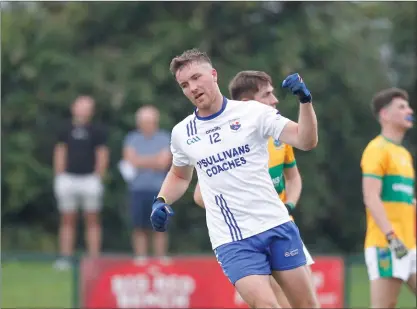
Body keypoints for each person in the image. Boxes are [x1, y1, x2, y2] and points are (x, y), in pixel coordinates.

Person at [150, 48, 318, 308]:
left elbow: (306, 141)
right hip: (233, 240)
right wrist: (161, 200)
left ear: (214, 75)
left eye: (196, 78)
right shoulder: (182, 133)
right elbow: (179, 175)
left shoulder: (252, 113)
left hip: (276, 225)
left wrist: (305, 102)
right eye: (184, 84)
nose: (192, 88)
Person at [193, 70, 319, 308]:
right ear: (247, 104)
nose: (275, 100)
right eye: (267, 95)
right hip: (248, 235)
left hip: (281, 226)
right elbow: (200, 195)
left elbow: (294, 178)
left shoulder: (279, 137)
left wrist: (289, 204)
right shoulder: (229, 142)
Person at [361, 87, 416, 308]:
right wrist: (392, 237)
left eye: (408, 106)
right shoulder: (377, 149)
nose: (409, 110)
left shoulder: (403, 154)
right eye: (401, 107)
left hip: (409, 245)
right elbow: (371, 197)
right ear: (385, 114)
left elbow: (406, 202)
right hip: (387, 244)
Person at [53, 96, 109, 270]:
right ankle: (65, 258)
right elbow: (60, 151)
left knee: (92, 220)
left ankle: (93, 260)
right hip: (68, 178)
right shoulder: (65, 129)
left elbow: (102, 154)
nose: (84, 111)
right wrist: (59, 175)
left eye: (87, 107)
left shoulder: (97, 130)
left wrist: (98, 176)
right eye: (81, 107)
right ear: (73, 108)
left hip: (90, 180)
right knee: (67, 219)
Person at [121, 106, 172, 262]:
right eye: (144, 122)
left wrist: (140, 161)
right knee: (139, 226)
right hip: (137, 189)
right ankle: (141, 258)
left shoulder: (164, 137)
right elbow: (130, 161)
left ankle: (160, 258)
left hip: (160, 190)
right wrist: (153, 160)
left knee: (160, 225)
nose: (147, 124)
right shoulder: (132, 138)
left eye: (150, 121)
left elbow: (163, 163)